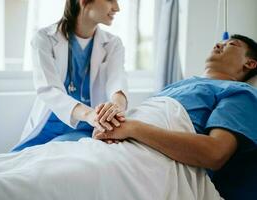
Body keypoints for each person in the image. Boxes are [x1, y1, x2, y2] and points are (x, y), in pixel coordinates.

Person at [94, 34, 257, 200]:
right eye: (221, 42)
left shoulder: (240, 92)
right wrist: (108, 127)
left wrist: (132, 128)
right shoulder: (176, 86)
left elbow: (214, 153)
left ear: (249, 63)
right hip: (119, 147)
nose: (218, 45)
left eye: (231, 44)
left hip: (151, 162)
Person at [12, 0, 128, 151]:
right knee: (17, 160)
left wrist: (114, 110)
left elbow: (117, 82)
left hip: (90, 129)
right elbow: (49, 90)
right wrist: (89, 114)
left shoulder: (113, 43)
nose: (117, 8)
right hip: (47, 128)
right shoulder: (44, 39)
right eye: (110, 0)